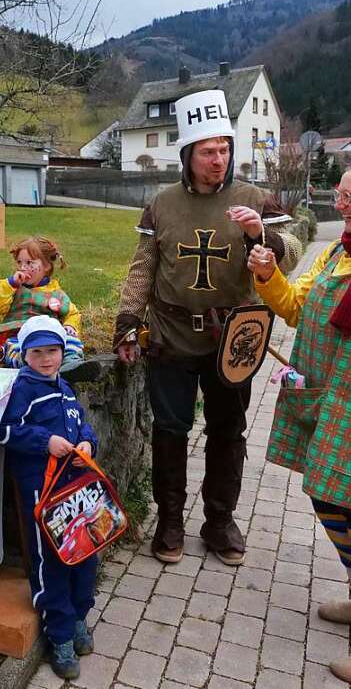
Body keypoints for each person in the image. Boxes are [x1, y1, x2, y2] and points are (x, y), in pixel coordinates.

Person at [114, 89, 301, 566]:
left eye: (223, 149)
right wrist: (128, 319)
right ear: (187, 155)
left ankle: (219, 521)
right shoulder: (162, 204)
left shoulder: (254, 199)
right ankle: (171, 519)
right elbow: (143, 268)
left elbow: (297, 246)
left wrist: (266, 241)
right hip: (172, 335)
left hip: (234, 338)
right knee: (171, 429)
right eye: (208, 151)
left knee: (228, 429)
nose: (218, 159)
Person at [248, 170, 351, 682]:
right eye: (341, 193)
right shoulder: (337, 254)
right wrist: (268, 275)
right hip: (334, 397)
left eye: (349, 195)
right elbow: (293, 309)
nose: (341, 200)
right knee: (329, 497)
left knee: (341, 499)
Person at [0, 315, 99, 681]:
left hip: (76, 495)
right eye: (37, 352)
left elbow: (81, 421)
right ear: (25, 355)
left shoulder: (65, 386)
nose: (46, 359)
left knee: (84, 553)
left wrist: (88, 441)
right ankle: (58, 634)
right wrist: (45, 442)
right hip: (43, 495)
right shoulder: (23, 389)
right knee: (51, 563)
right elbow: (5, 431)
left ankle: (77, 616)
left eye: (53, 351)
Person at [0, 236, 98, 381]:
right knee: (13, 348)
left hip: (49, 336)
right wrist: (10, 283)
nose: (23, 267)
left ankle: (71, 366)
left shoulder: (56, 293)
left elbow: (71, 313)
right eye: (19, 262)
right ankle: (26, 365)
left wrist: (70, 325)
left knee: (70, 341)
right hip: (18, 335)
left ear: (46, 266)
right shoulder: (12, 289)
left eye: (29, 263)